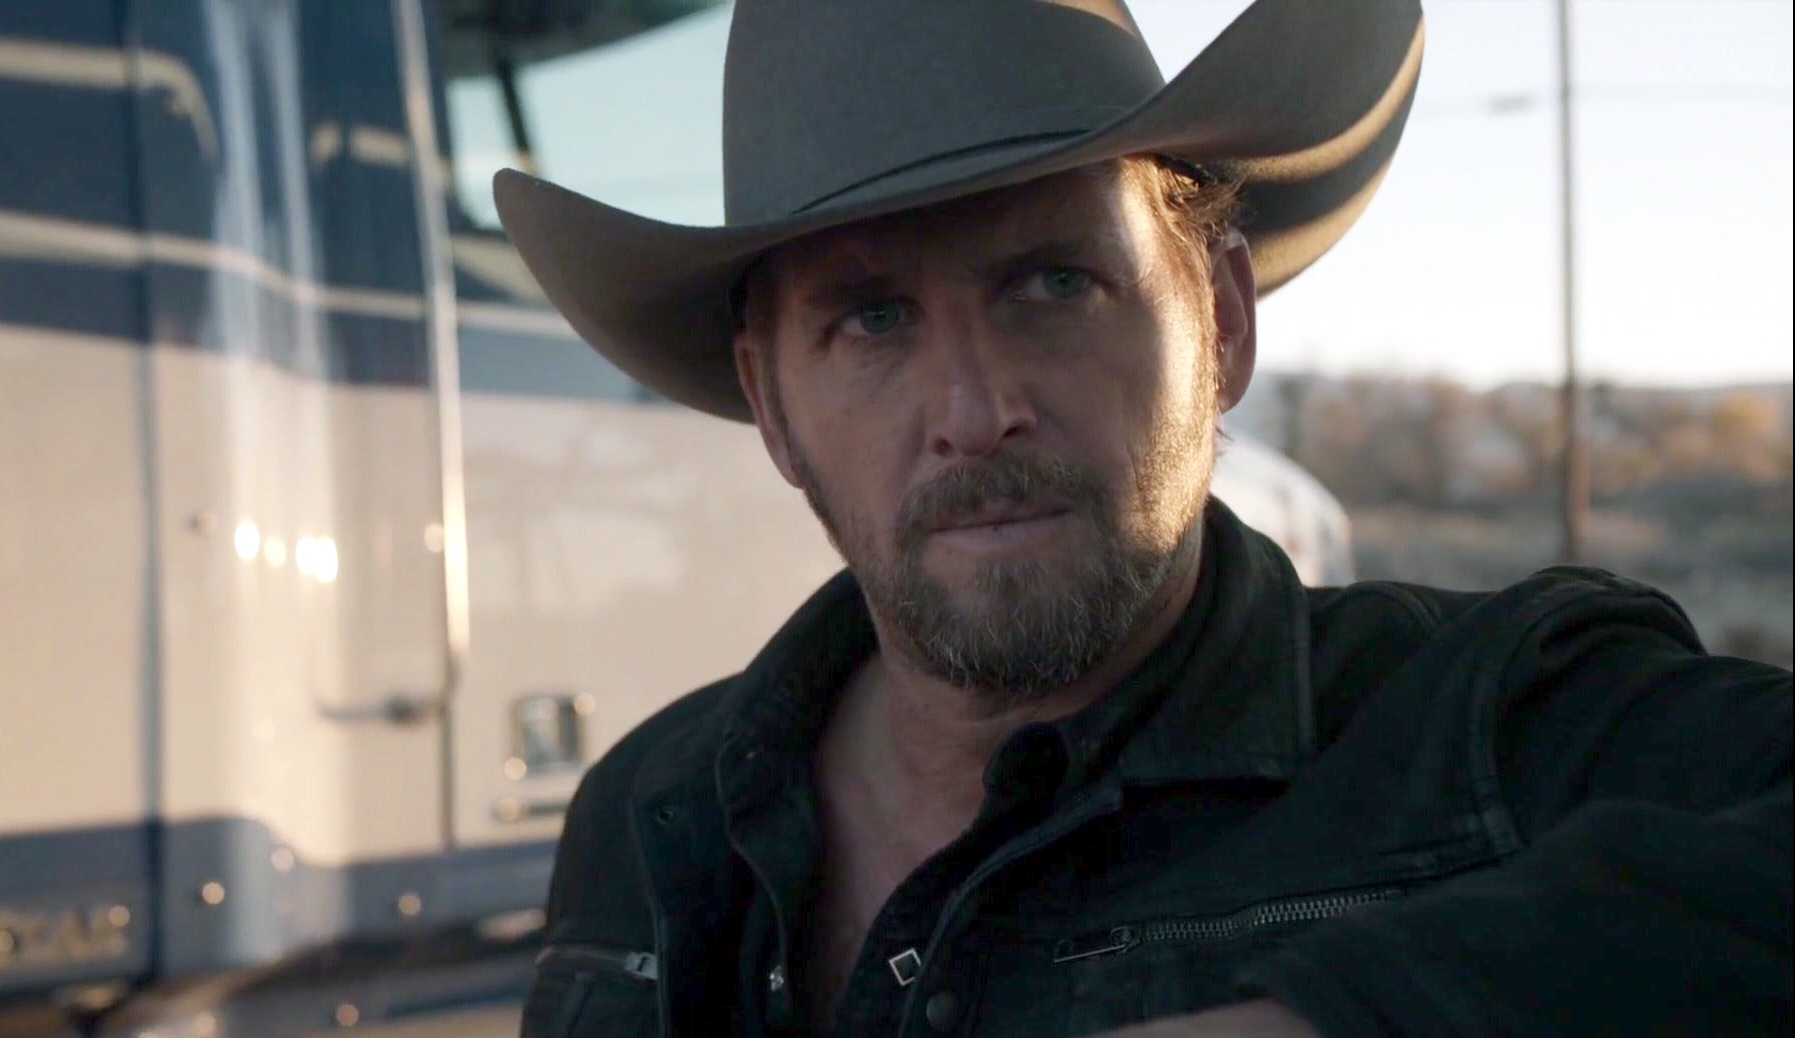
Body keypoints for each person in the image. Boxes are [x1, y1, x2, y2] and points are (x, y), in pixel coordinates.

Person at [493, 1, 1793, 1035]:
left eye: (1055, 284)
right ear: (773, 406)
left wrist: (1340, 1013)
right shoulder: (646, 813)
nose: (976, 410)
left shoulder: (1488, 736)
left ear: (1220, 321)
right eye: (873, 319)